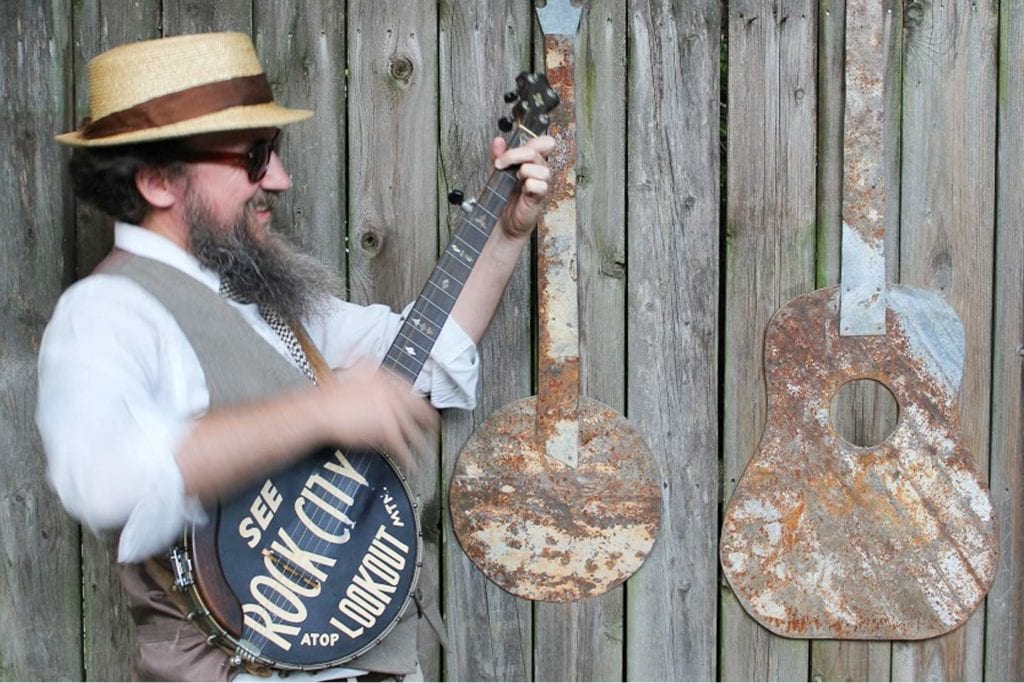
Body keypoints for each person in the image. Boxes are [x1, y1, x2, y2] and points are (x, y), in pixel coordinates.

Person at [36, 32, 553, 682]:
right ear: (158, 181)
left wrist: (505, 232)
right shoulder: (106, 313)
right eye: (256, 156)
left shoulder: (260, 293)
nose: (279, 179)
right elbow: (103, 476)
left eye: (274, 153)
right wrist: (319, 411)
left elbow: (423, 351)